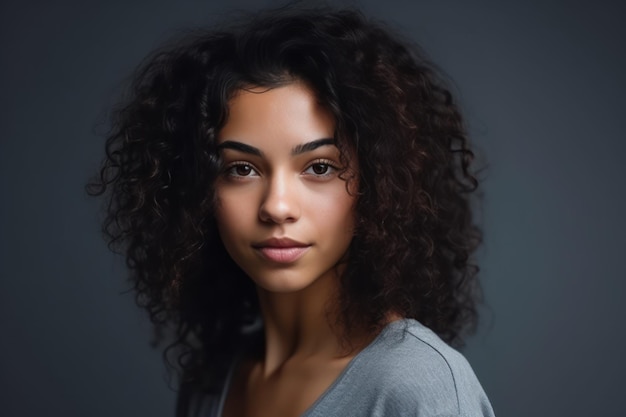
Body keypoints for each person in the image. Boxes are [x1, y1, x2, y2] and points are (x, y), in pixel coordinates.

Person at [89, 4, 495, 417]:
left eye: (319, 167)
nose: (277, 207)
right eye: (241, 169)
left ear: (378, 185)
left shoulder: (416, 385)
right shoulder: (213, 376)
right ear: (195, 190)